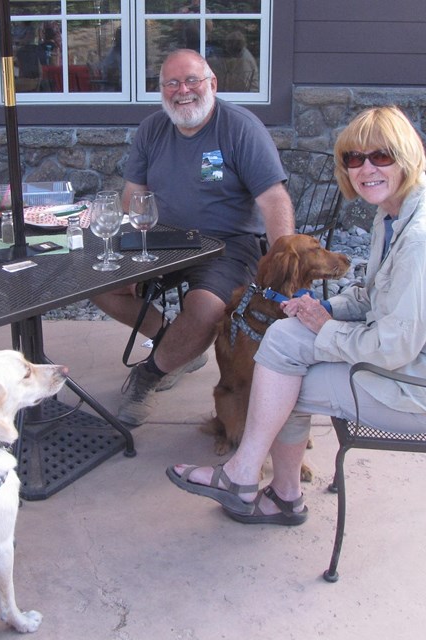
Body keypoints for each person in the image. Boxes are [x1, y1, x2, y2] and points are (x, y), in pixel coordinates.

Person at [167, 105, 426, 525]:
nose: (365, 168)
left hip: (411, 384)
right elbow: (373, 298)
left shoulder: (417, 240)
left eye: (381, 156)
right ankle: (274, 490)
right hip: (398, 356)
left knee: (281, 380)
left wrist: (326, 330)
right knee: (283, 338)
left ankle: (246, 477)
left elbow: (394, 347)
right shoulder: (393, 214)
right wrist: (321, 308)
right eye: (353, 158)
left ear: (407, 156)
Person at [92, 49, 294, 427]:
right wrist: (130, 253)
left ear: (212, 84)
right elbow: (132, 195)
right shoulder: (152, 129)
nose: (182, 90)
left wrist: (283, 267)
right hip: (159, 238)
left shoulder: (240, 127)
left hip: (227, 244)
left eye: (191, 81)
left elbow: (273, 200)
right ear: (161, 90)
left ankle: (150, 374)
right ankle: (175, 344)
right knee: (98, 283)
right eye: (171, 83)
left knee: (206, 310)